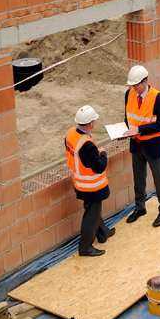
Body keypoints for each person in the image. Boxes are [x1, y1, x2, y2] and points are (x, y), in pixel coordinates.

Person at [123, 64, 160, 228]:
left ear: (145, 81)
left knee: (159, 179)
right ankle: (140, 207)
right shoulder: (128, 94)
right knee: (138, 178)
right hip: (136, 145)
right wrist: (124, 131)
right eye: (132, 85)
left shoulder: (158, 98)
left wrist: (139, 130)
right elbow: (128, 117)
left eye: (136, 85)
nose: (134, 88)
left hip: (153, 146)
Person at [65, 105, 114, 257]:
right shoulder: (87, 144)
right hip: (92, 187)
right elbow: (99, 167)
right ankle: (85, 247)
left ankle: (102, 232)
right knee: (91, 215)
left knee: (93, 211)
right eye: (94, 121)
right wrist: (104, 154)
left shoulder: (71, 134)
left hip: (80, 183)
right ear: (90, 123)